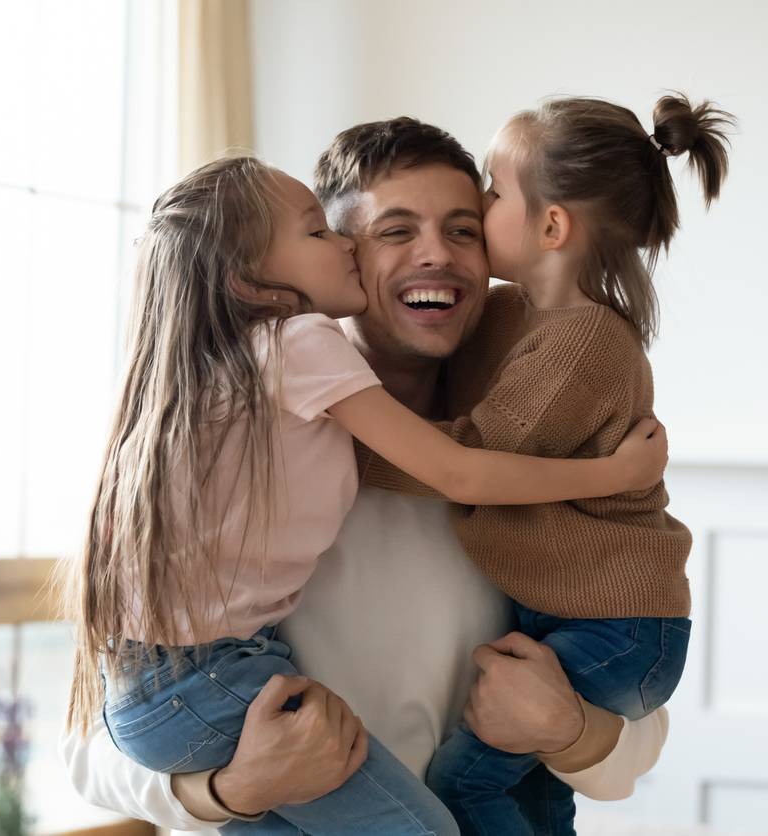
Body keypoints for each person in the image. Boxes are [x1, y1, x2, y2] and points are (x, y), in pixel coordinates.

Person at [61, 117, 672, 835]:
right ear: (342, 254)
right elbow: (94, 748)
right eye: (396, 231)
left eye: (465, 230)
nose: (437, 256)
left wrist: (568, 731)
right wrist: (234, 787)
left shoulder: (539, 455)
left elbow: (642, 724)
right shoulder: (222, 451)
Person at [358, 94, 733, 834]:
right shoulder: (504, 315)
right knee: (526, 790)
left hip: (618, 625)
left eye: (488, 199)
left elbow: (464, 459)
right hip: (573, 618)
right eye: (395, 231)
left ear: (552, 226)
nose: (440, 253)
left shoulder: (583, 339)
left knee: (468, 783)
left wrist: (341, 429)